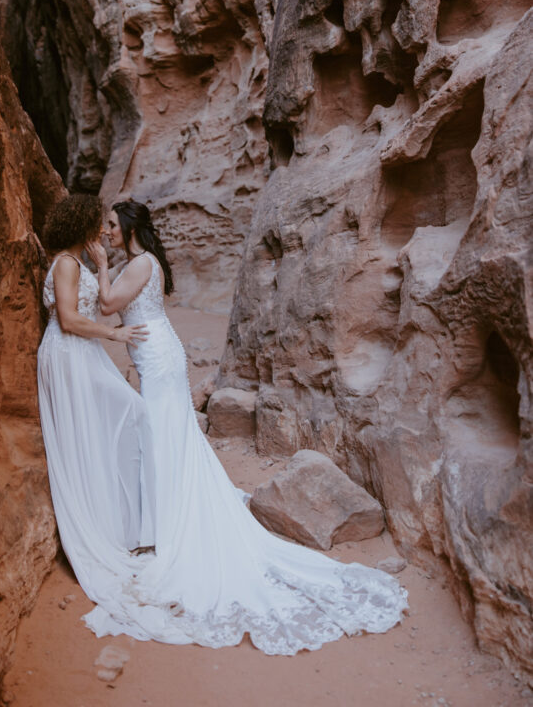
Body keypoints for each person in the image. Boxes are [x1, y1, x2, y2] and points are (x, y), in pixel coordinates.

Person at [83, 199, 408, 654]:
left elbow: (106, 303)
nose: (107, 231)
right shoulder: (143, 262)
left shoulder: (139, 263)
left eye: (113, 224)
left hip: (157, 357)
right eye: (106, 226)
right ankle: (158, 520)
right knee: (164, 435)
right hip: (155, 352)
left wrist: (99, 265)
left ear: (131, 226)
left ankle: (162, 526)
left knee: (162, 436)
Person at [36, 193, 156, 616]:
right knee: (114, 419)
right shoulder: (67, 264)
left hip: (80, 353)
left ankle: (124, 524)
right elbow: (68, 318)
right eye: (95, 223)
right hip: (70, 352)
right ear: (80, 225)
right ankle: (103, 530)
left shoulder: (75, 262)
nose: (100, 231)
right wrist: (114, 335)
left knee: (121, 416)